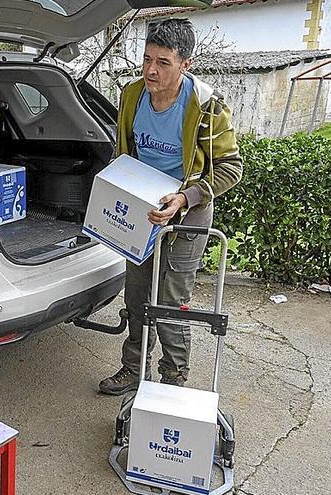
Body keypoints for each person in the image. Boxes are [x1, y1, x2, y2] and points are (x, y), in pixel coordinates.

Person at [98, 19, 243, 395]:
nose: (150, 70)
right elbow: (125, 151)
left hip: (188, 215)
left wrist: (185, 198)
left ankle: (173, 378)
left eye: (163, 62)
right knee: (136, 294)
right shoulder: (132, 95)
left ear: (186, 64)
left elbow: (231, 168)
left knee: (170, 301)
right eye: (147, 59)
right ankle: (133, 369)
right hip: (142, 213)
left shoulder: (206, 107)